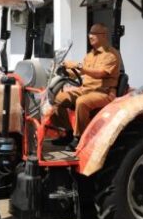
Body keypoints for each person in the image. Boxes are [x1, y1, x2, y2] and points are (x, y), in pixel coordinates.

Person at [51, 23, 121, 151]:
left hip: (104, 93)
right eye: (90, 33)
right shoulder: (90, 55)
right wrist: (65, 70)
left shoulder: (111, 55)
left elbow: (100, 73)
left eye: (94, 34)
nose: (90, 36)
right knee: (57, 99)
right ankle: (67, 132)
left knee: (82, 102)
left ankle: (81, 138)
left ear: (104, 36)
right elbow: (81, 72)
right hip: (85, 89)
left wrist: (77, 65)